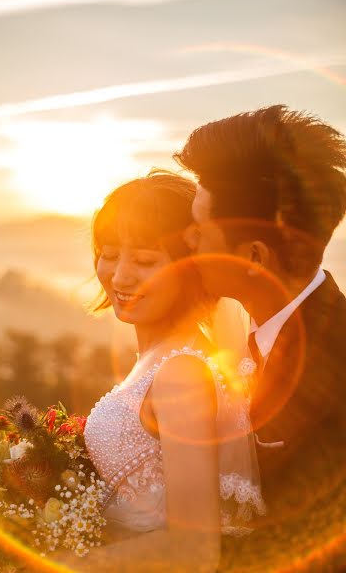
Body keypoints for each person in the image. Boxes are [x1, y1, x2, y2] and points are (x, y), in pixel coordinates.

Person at [60, 171, 266, 573]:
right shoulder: (161, 359)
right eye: (109, 253)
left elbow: (194, 552)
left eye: (144, 260)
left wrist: (61, 563)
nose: (119, 276)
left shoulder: (181, 374)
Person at [174, 104, 346, 570]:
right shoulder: (233, 337)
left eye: (200, 227)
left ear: (252, 256)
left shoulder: (335, 373)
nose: (186, 240)